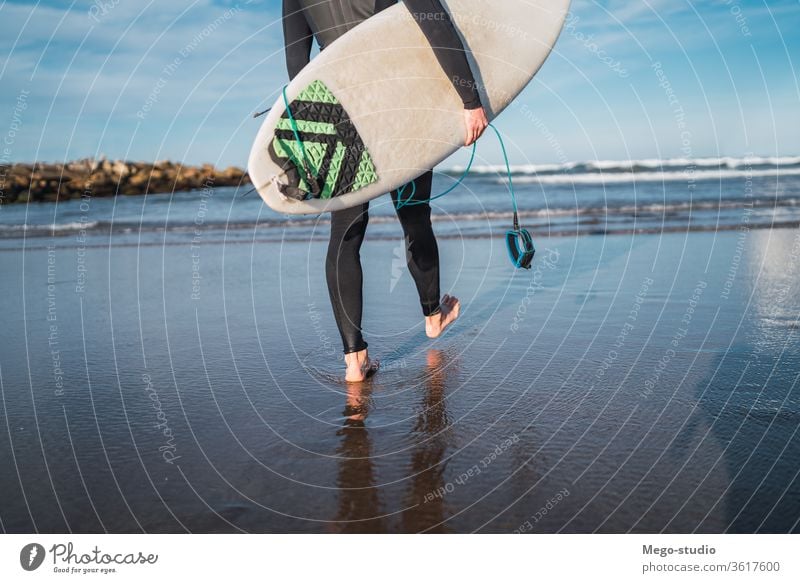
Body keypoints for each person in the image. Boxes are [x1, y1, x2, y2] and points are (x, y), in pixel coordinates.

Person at [281, 0, 488, 381]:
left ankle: (354, 360)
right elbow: (437, 26)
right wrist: (470, 100)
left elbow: (297, 65)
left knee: (345, 233)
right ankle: (432, 316)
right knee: (413, 213)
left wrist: (317, 129)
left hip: (338, 110)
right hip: (397, 98)